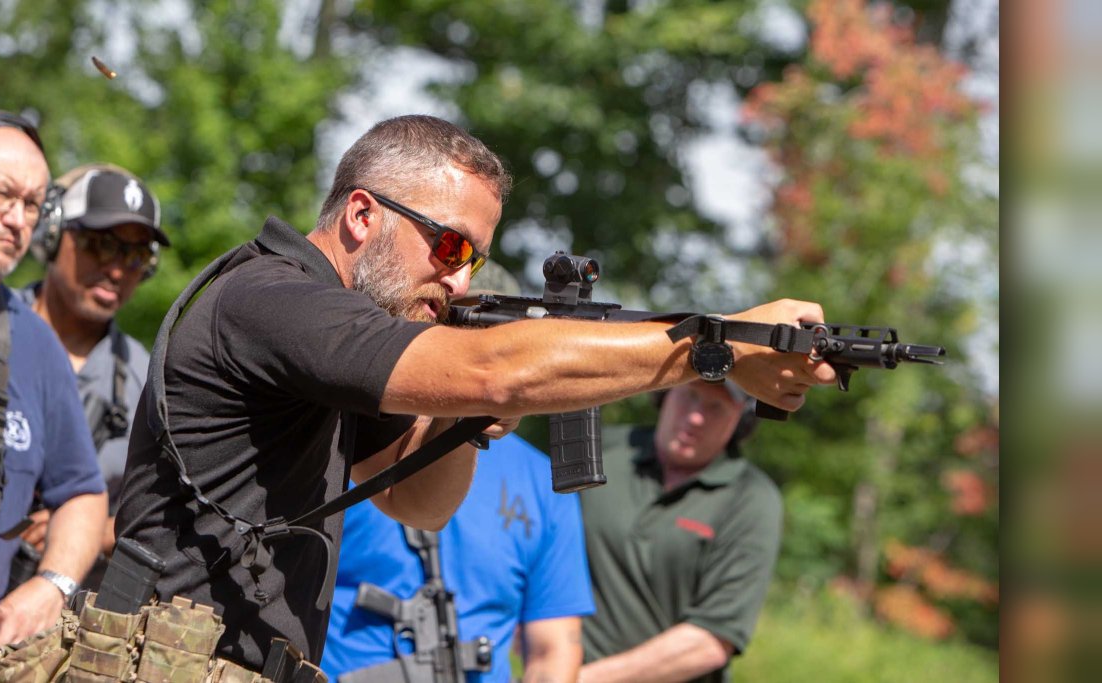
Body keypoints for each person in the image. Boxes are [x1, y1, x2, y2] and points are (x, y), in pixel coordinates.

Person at [116, 114, 836, 673]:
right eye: (449, 246)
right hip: (165, 662)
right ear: (363, 215)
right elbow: (497, 367)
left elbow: (416, 501)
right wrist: (718, 349)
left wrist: (476, 411)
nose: (460, 281)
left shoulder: (318, 336)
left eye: (474, 258)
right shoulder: (276, 299)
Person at [321, 263, 594, 683]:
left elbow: (554, 648)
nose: (473, 347)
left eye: (493, 332)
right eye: (457, 324)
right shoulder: (356, 439)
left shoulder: (542, 480)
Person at [0, 109, 108, 655]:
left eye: (31, 205)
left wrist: (52, 586)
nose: (16, 220)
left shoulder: (34, 344)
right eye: (0, 195)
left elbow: (82, 491)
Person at [16, 163, 167, 586]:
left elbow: (170, 510)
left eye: (136, 255)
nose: (118, 269)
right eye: (101, 244)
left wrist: (87, 529)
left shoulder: (149, 380)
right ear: (51, 235)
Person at [578, 381, 782, 683]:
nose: (696, 417)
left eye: (717, 407)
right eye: (690, 396)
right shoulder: (600, 452)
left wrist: (578, 679)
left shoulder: (750, 497)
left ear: (741, 418)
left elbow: (713, 639)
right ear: (665, 393)